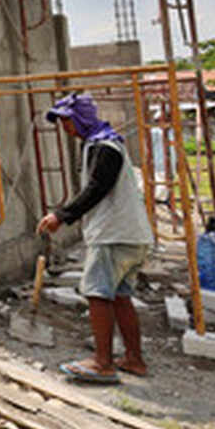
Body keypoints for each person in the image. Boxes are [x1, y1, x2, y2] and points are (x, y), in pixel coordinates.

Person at [36, 92, 153, 384]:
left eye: (67, 122)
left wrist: (61, 216)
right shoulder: (105, 143)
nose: (65, 128)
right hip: (131, 234)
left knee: (97, 292)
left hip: (113, 234)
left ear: (80, 119)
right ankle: (134, 359)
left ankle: (103, 363)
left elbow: (97, 189)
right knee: (120, 297)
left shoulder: (105, 147)